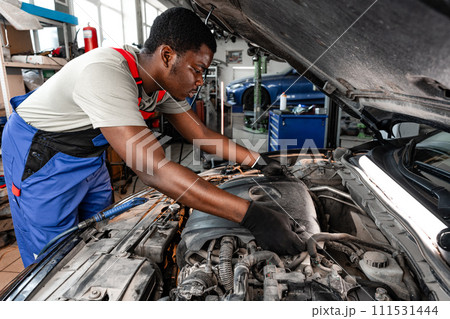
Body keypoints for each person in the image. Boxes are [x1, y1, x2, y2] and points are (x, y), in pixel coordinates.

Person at [1, 7, 304, 267]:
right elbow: (152, 168)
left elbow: (200, 134)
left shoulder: (159, 84)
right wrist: (251, 215)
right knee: (54, 253)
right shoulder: (106, 73)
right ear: (167, 55)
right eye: (197, 70)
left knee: (101, 236)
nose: (200, 81)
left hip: (88, 158)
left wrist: (259, 161)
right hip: (40, 155)